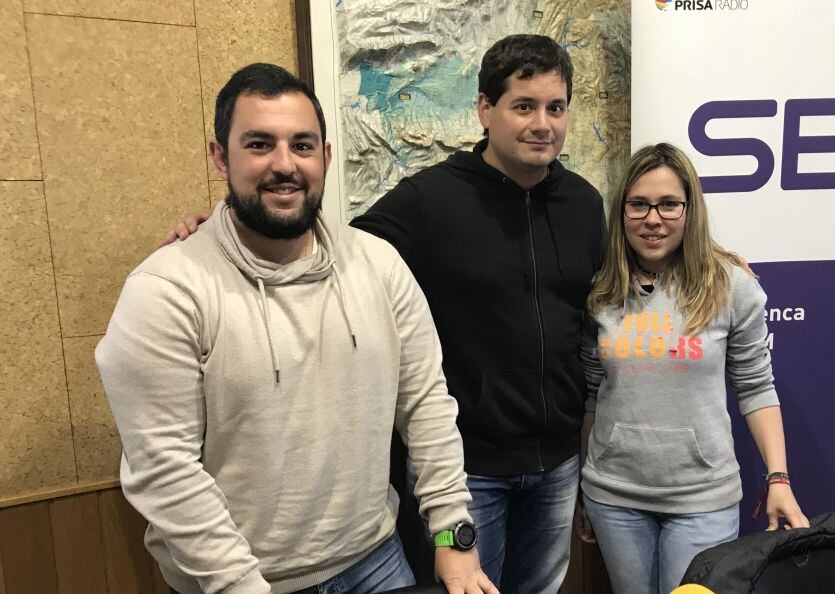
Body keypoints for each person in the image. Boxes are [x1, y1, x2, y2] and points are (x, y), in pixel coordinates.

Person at [159, 36, 605, 594]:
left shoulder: (586, 204)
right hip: (469, 467)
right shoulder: (429, 200)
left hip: (557, 463)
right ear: (486, 110)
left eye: (555, 108)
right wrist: (225, 229)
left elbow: (612, 298)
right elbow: (317, 242)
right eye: (523, 106)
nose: (542, 123)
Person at [97, 63, 496, 594]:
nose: (284, 164)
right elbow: (165, 472)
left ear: (325, 157)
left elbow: (425, 404)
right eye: (260, 144)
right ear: (220, 157)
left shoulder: (380, 265)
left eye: (302, 145)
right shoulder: (166, 291)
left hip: (377, 561)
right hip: (237, 581)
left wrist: (454, 539)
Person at [572, 143, 809, 594]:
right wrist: (585, 485)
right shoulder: (602, 289)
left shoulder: (731, 285)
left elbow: (757, 388)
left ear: (690, 209)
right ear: (622, 211)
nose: (653, 218)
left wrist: (777, 477)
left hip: (702, 501)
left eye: (668, 205)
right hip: (615, 496)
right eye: (638, 204)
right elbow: (592, 395)